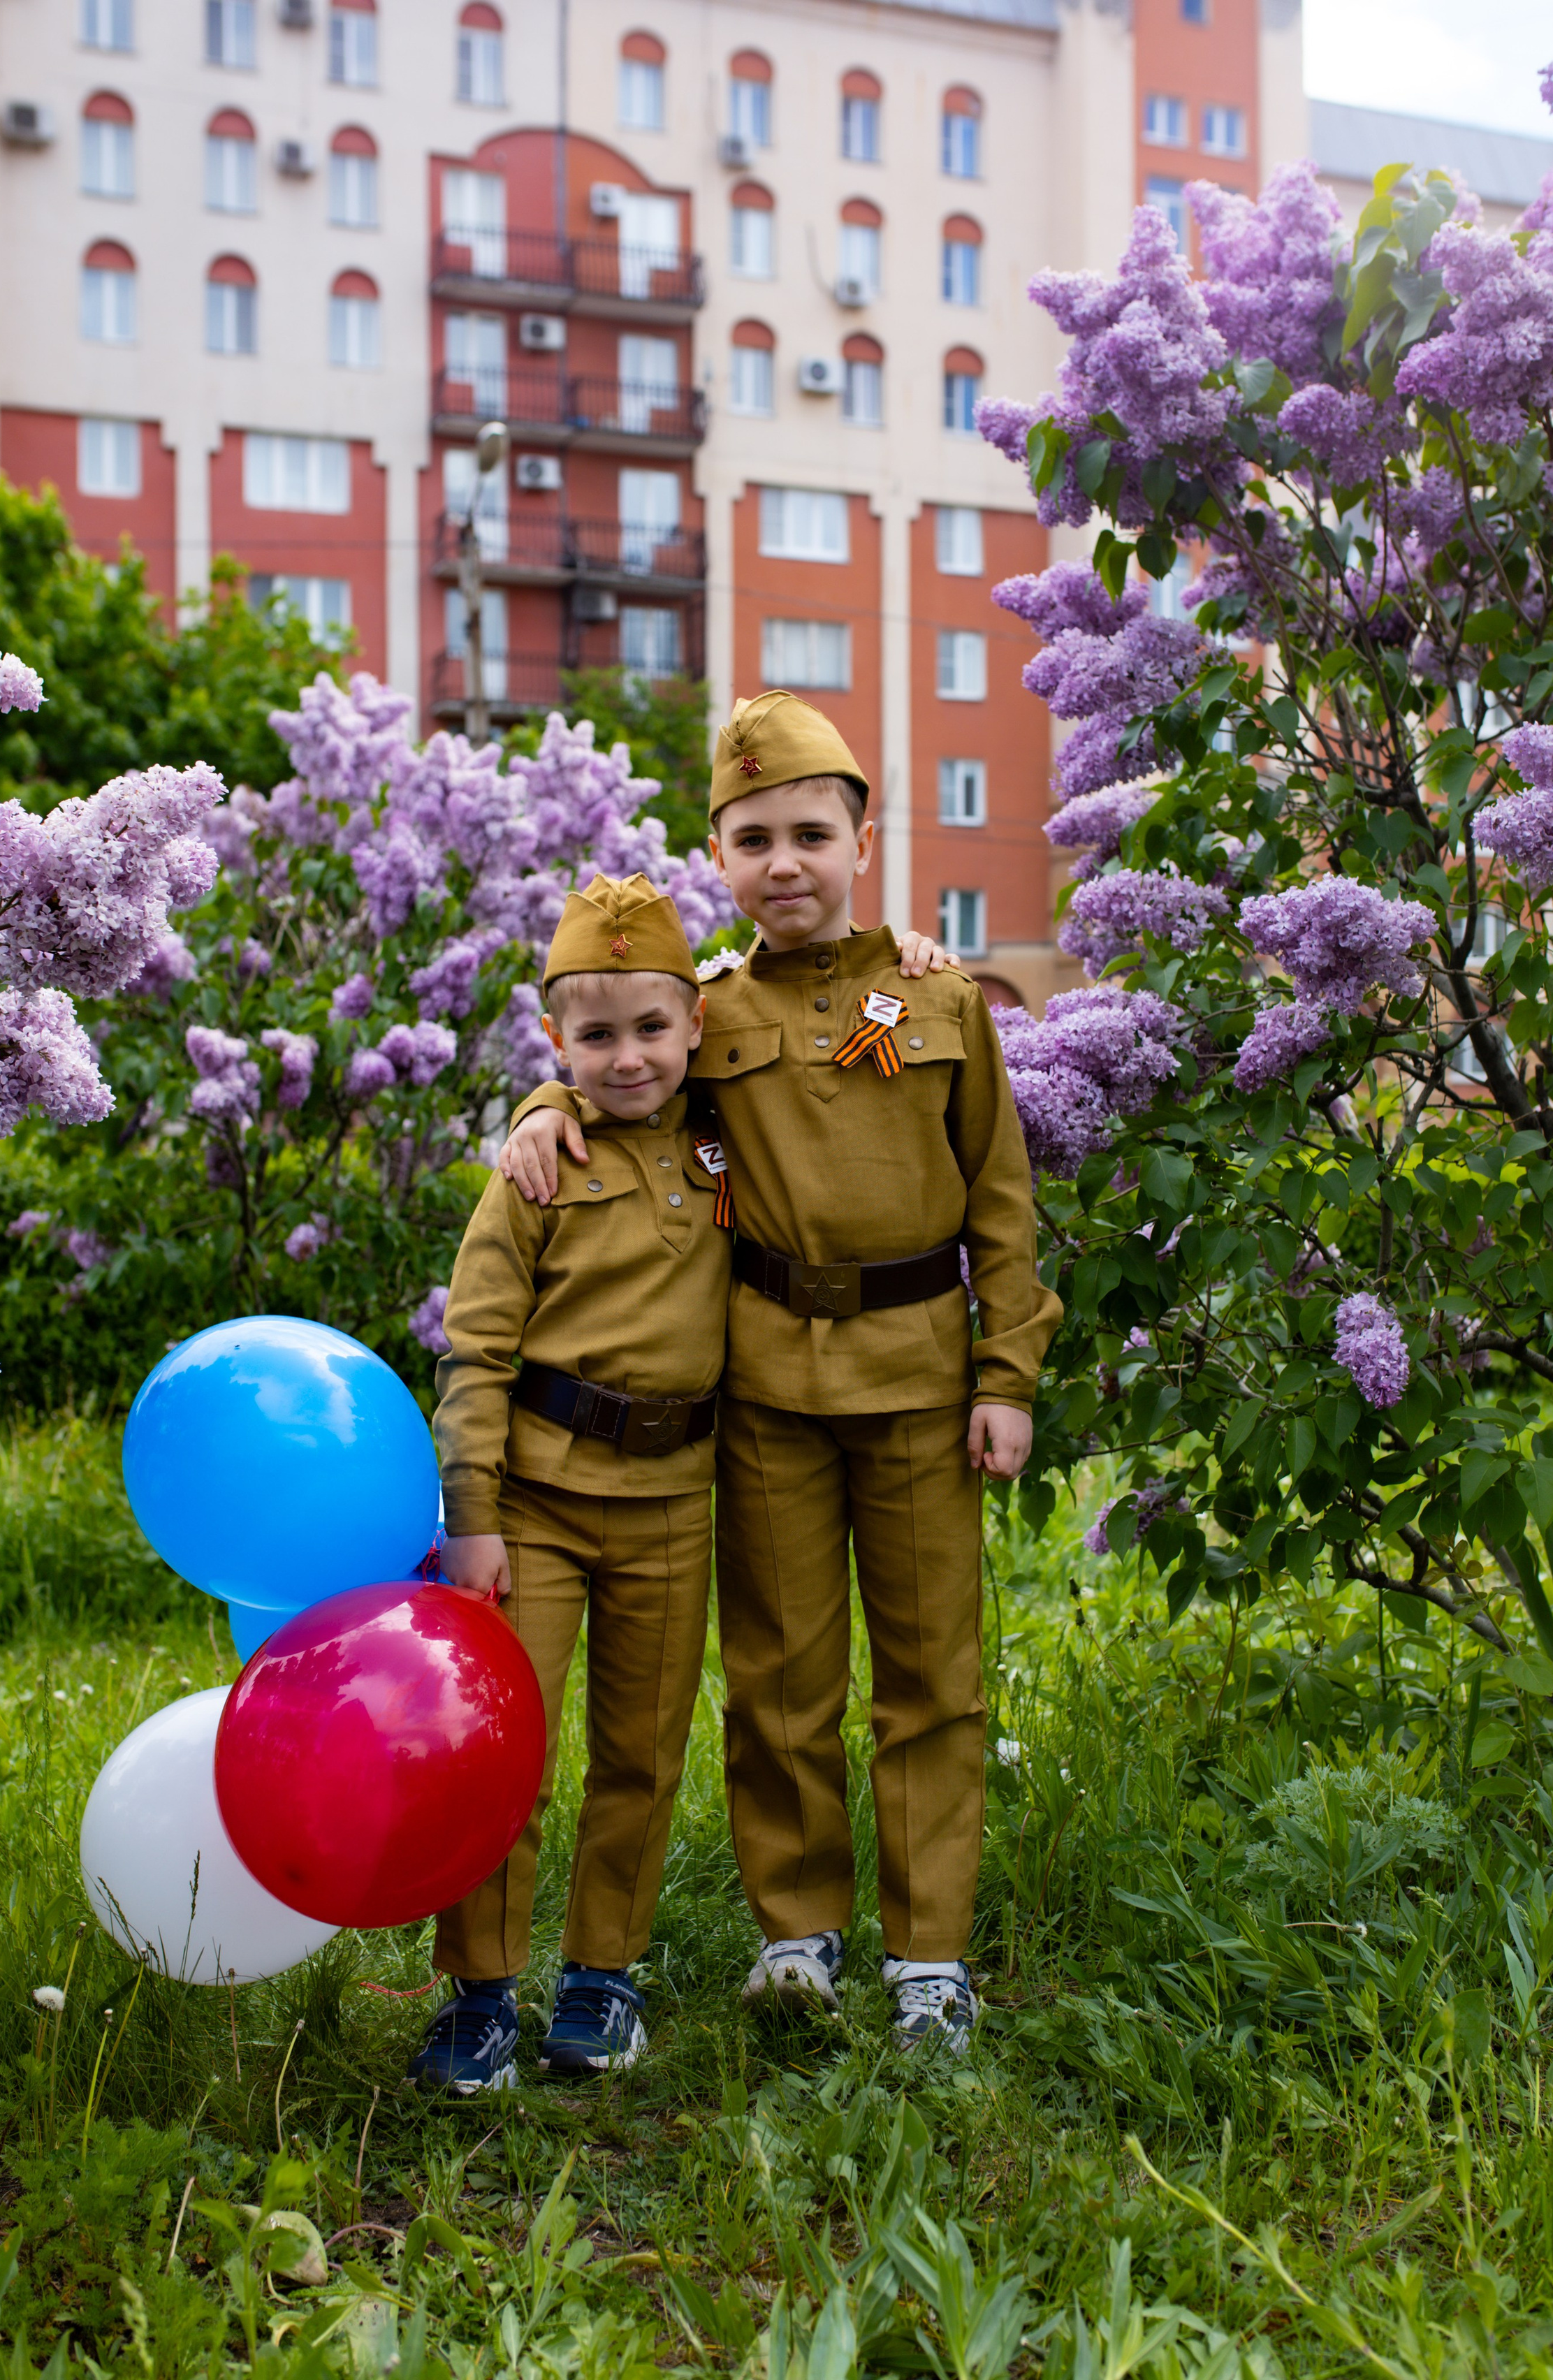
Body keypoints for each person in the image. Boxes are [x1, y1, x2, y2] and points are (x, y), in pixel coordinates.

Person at [499, 691, 1062, 2054]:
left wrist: (1005, 1376)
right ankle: (796, 1933)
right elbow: (610, 1074)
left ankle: (928, 1959)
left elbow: (1000, 1199)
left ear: (863, 838)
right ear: (719, 857)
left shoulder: (938, 997)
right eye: (754, 839)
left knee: (933, 1677)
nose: (785, 862)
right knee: (778, 1674)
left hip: (924, 1382)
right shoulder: (706, 1013)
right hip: (762, 1394)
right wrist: (536, 1106)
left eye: (811, 831)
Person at [407, 872, 732, 2096]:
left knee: (641, 1753)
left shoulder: (724, 1141)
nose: (629, 1056)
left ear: (695, 1022)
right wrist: (475, 1519)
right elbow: (478, 1349)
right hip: (536, 1505)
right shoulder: (536, 1167)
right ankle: (481, 1994)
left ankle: (604, 1977)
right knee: (504, 1753)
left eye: (653, 1027)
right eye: (593, 1037)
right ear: (556, 1041)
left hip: (670, 1502)